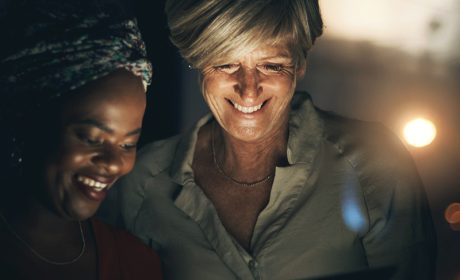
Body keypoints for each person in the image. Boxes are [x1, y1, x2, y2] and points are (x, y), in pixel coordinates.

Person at [101, 1, 436, 279]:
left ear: (299, 65)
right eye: (226, 63)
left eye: (271, 65)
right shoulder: (143, 182)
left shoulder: (374, 165)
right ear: (199, 62)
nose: (249, 89)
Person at [0, 1, 162, 279]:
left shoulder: (137, 265)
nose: (112, 164)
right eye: (90, 138)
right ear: (27, 120)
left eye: (127, 144)